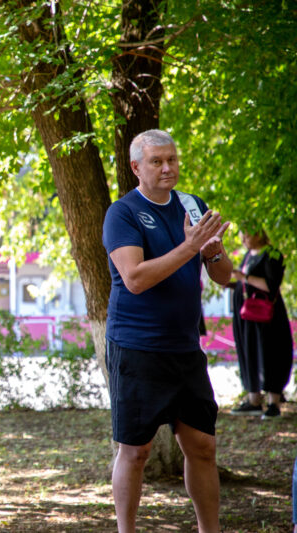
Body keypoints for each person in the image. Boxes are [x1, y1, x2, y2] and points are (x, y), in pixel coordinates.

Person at [102, 129, 232, 533]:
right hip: (137, 347)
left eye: (172, 159)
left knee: (203, 447)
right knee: (135, 451)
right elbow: (136, 278)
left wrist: (211, 253)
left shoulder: (193, 207)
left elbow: (224, 277)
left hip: (184, 348)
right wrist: (191, 248)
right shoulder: (121, 213)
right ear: (136, 167)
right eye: (157, 161)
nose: (167, 168)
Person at [229, 231, 293, 419]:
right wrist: (234, 284)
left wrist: (244, 278)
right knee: (249, 352)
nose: (243, 240)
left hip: (267, 317)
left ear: (258, 234)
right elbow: (245, 282)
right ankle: (253, 399)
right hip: (247, 317)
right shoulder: (249, 255)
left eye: (246, 236)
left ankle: (273, 402)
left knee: (271, 353)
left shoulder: (272, 254)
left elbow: (271, 286)